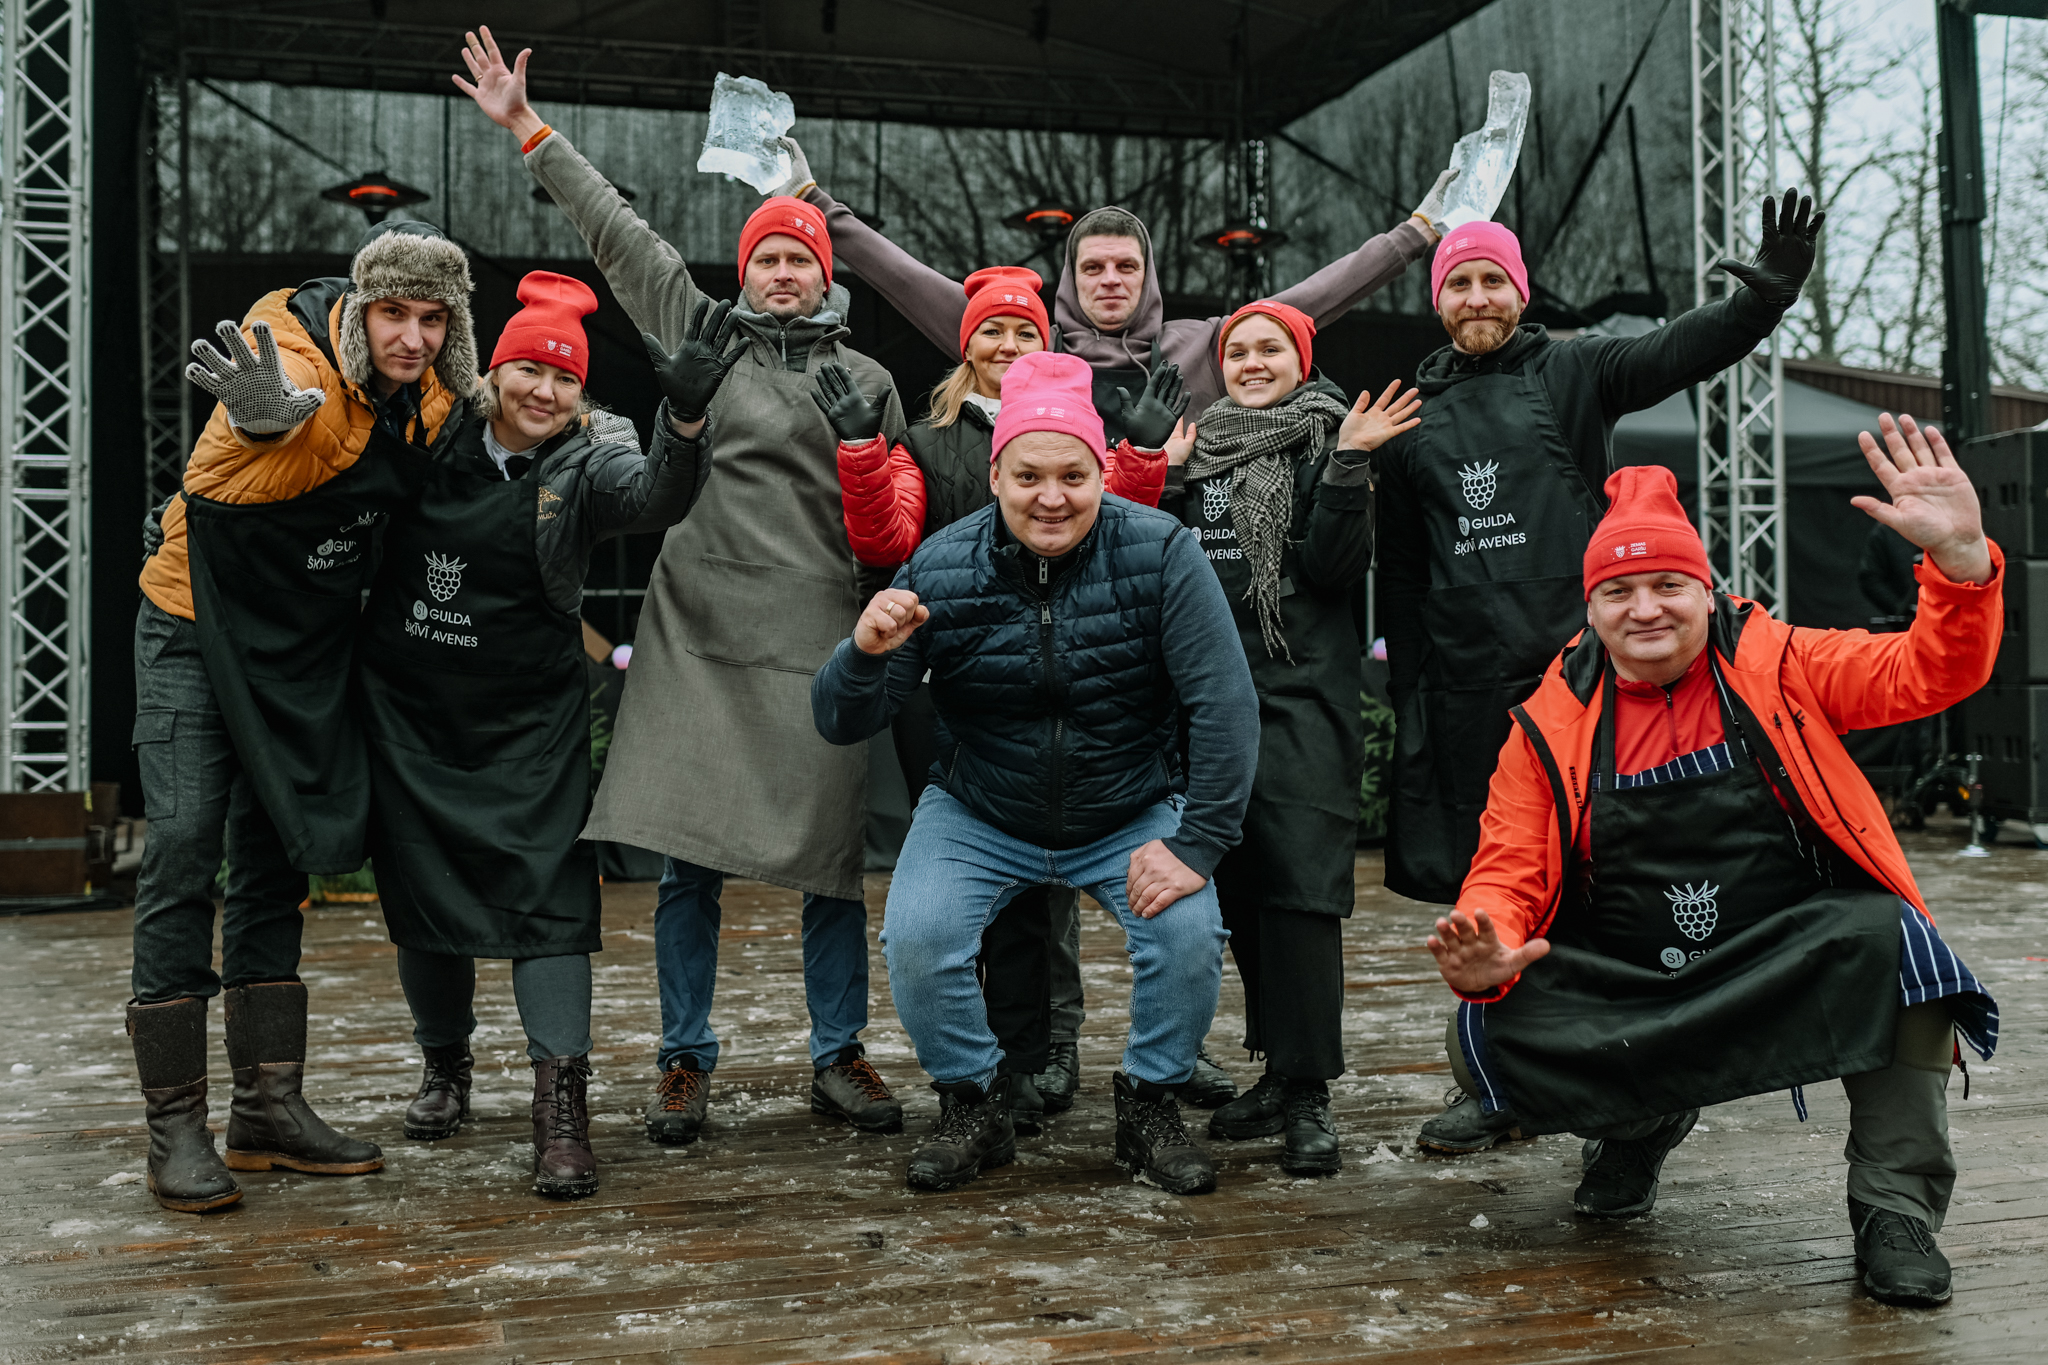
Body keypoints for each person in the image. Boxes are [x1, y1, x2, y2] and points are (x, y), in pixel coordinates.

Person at [768, 145, 1440, 1109]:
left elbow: (1304, 304)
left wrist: (1411, 237)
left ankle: (1197, 1061)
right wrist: (819, 207)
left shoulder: (1202, 353)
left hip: (1143, 661)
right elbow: (910, 281)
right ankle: (1028, 1054)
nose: (1112, 281)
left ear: (1152, 272)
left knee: (1204, 887)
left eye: (1128, 265)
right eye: (1093, 268)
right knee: (1000, 879)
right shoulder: (1017, 367)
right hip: (984, 669)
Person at [456, 28, 909, 1147]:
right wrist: (526, 129)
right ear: (743, 266)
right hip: (700, 624)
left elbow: (893, 527)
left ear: (827, 273)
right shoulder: (699, 331)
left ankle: (837, 1054)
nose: (784, 272)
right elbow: (617, 234)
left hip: (819, 634)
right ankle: (681, 1059)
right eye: (767, 256)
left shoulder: (871, 377)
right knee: (682, 860)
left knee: (829, 869)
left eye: (802, 257)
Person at [1428, 427, 1999, 1308]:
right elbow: (1508, 866)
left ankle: (1895, 1211)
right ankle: (1641, 1123)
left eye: (1668, 585)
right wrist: (1492, 942)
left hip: (1784, 951)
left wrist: (1961, 565)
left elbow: (1929, 672)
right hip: (1635, 978)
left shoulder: (1783, 662)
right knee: (1489, 1035)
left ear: (1707, 589)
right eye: (1619, 590)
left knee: (1903, 951)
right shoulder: (1547, 719)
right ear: (1591, 608)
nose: (1645, 608)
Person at [1374, 195, 1824, 1153]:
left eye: (1494, 278)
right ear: (1438, 299)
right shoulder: (1410, 413)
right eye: (1460, 281)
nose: (1478, 295)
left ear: (1520, 291)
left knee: (1603, 882)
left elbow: (1674, 350)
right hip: (1463, 689)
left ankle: (1632, 1091)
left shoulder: (1573, 368)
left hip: (1580, 679)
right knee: (1486, 892)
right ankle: (1499, 1077)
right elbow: (1405, 572)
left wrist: (1762, 305)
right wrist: (1411, 693)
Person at [811, 352, 1260, 1194]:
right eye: (1028, 475)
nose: (1050, 496)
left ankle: (1151, 1103)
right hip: (981, 804)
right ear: (996, 474)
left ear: (1102, 470)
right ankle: (974, 1100)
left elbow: (1226, 708)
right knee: (919, 933)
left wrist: (1196, 845)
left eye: (1072, 474)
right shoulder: (941, 565)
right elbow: (841, 719)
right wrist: (862, 653)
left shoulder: (1163, 554)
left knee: (1187, 932)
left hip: (1126, 803)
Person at [128, 219, 476, 1211]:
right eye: (391, 314)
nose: (409, 337)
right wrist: (264, 414)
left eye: (430, 318)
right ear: (359, 309)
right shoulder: (285, 348)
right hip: (195, 628)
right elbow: (279, 422)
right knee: (187, 848)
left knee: (275, 855)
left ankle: (267, 1112)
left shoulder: (440, 396)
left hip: (304, 647)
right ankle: (176, 1130)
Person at [365, 272, 727, 1200]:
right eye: (528, 368)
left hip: (531, 723)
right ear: (494, 373)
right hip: (418, 717)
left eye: (563, 380)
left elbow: (657, 495)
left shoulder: (585, 465)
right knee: (425, 895)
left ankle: (560, 1105)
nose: (543, 391)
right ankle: (446, 1066)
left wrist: (680, 419)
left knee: (551, 902)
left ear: (580, 395)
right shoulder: (427, 430)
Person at [818, 264, 1177, 1133]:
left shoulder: (1074, 438)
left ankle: (1041, 1043)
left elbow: (1110, 536)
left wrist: (1140, 457)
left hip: (1055, 672)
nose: (1008, 345)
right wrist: (865, 455)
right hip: (939, 669)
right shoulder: (929, 440)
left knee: (1050, 869)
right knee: (971, 861)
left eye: (1025, 332)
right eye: (991, 331)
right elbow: (889, 538)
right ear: (965, 342)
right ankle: (974, 1060)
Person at [1156, 300, 1419, 1174]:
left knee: (1302, 893)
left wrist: (1347, 464)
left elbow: (1336, 570)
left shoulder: (1326, 442)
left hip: (1303, 695)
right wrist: (1162, 479)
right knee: (1237, 886)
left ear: (1301, 362)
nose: (1255, 362)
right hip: (1210, 703)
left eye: (1272, 348)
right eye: (1240, 351)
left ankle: (1310, 1091)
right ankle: (1275, 1068)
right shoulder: (1197, 451)